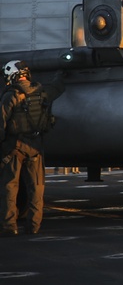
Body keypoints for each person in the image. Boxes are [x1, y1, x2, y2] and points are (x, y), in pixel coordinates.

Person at [0, 60, 65, 236]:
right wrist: (62, 72)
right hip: (35, 147)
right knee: (36, 188)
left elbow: (2, 124)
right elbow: (58, 88)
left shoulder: (10, 96)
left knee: (9, 187)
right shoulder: (42, 92)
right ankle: (34, 226)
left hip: (14, 148)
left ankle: (9, 226)